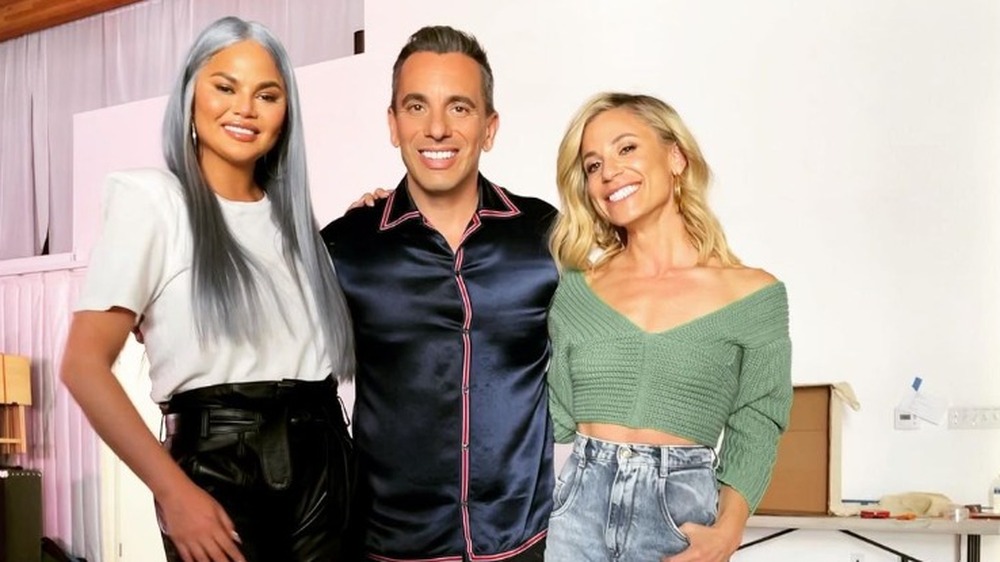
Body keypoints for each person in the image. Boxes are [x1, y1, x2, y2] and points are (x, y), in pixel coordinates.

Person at [60, 16, 356, 562]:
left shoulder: (297, 227)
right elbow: (82, 364)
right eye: (225, 87)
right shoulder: (152, 201)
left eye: (267, 94)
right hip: (220, 463)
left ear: (285, 114)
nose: (244, 108)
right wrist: (172, 492)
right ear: (191, 93)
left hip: (326, 461)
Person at [321, 26, 558, 561]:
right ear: (393, 123)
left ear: (489, 127)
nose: (436, 129)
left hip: (522, 545)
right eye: (416, 106)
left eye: (459, 108)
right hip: (390, 548)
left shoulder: (547, 235)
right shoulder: (345, 246)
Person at [545, 92, 792, 562]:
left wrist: (729, 530)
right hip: (576, 509)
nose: (609, 172)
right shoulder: (577, 290)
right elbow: (556, 417)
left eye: (626, 149)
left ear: (676, 156)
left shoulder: (755, 295)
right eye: (593, 165)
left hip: (679, 516)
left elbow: (757, 421)